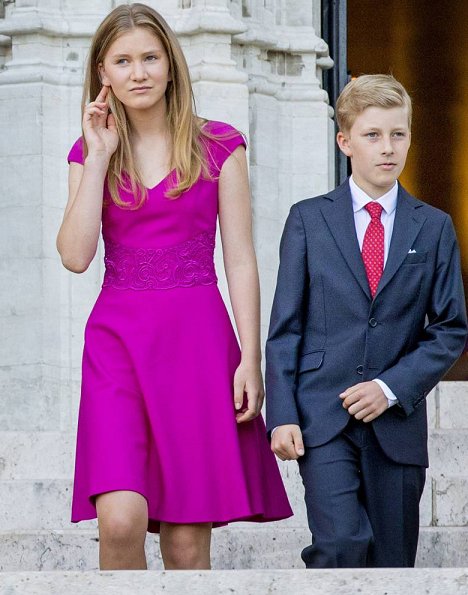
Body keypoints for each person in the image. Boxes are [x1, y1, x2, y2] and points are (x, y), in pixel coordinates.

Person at [57, 2, 292, 571]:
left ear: (170, 65)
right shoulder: (92, 155)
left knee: (186, 544)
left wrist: (250, 361)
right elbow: (74, 255)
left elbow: (240, 260)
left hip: (197, 345)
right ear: (102, 74)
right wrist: (99, 156)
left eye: (149, 58)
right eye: (122, 61)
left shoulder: (219, 146)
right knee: (119, 520)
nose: (138, 72)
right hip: (118, 344)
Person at [266, 74, 467, 568]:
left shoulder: (434, 226)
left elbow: (449, 329)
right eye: (373, 135)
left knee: (392, 561)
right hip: (323, 416)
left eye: (398, 134)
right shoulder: (308, 220)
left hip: (395, 424)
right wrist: (284, 414)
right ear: (345, 141)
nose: (388, 148)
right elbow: (285, 326)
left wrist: (391, 386)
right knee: (339, 547)